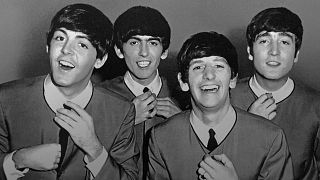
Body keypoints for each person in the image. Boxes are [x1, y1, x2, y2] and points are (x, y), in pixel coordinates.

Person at [0, 3, 138, 180]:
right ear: (48, 46)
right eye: (60, 38)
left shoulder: (121, 112)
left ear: (100, 60)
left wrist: (94, 149)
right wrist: (17, 159)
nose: (66, 49)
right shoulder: (6, 99)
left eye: (81, 44)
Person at [147, 31, 293, 180]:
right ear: (183, 82)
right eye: (198, 67)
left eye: (218, 66)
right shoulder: (161, 138)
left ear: (233, 79)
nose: (209, 75)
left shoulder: (271, 138)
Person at [230, 7, 320, 179]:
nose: (274, 51)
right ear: (250, 51)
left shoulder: (315, 106)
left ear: (296, 54)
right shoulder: (226, 99)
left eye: (284, 42)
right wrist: (250, 128)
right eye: (264, 41)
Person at [99, 6, 181, 179]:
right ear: (119, 50)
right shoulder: (100, 96)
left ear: (164, 51)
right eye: (134, 42)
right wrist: (127, 121)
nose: (144, 52)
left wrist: (184, 123)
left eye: (152, 43)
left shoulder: (184, 95)